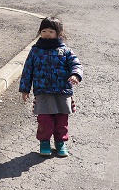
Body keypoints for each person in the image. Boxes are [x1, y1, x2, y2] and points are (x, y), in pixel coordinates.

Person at [19, 17, 83, 158]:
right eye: (44, 31)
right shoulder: (35, 51)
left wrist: (75, 75)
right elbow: (28, 70)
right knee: (45, 120)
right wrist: (25, 89)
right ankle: (44, 142)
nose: (47, 34)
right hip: (43, 92)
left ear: (58, 33)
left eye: (51, 31)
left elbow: (76, 64)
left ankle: (60, 143)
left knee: (61, 120)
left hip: (63, 91)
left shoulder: (65, 51)